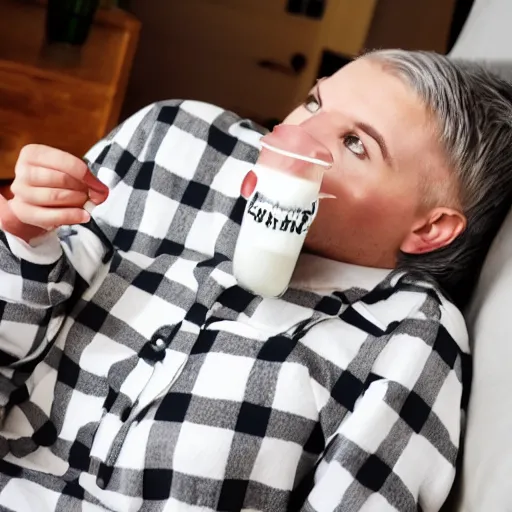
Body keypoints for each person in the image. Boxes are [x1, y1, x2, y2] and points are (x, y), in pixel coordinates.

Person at [0, 49, 509, 512]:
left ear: (429, 228)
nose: (293, 136)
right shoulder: (170, 149)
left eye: (355, 143)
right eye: (314, 102)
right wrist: (24, 237)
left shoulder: (409, 340)